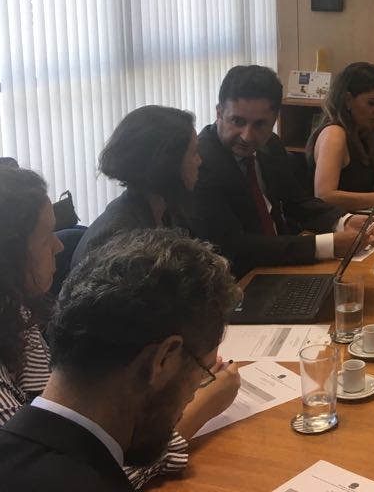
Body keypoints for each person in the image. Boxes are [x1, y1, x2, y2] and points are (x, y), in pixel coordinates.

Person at [0, 168, 241, 490]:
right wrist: (199, 409)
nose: (58, 246)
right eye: (202, 373)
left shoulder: (23, 316)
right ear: (163, 359)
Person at [194, 65, 364, 279]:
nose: (247, 136)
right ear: (219, 112)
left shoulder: (270, 145)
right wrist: (327, 245)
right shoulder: (200, 163)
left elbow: (298, 202)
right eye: (238, 121)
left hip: (281, 267)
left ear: (275, 119)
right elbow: (234, 246)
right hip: (236, 280)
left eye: (260, 124)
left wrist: (344, 221)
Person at [71, 106, 201, 268]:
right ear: (168, 165)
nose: (199, 161)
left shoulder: (163, 209)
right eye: (194, 153)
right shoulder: (122, 243)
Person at [308, 62, 374, 211]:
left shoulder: (361, 131)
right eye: (372, 103)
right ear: (348, 100)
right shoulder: (334, 134)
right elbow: (324, 196)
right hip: (335, 222)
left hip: (359, 217)